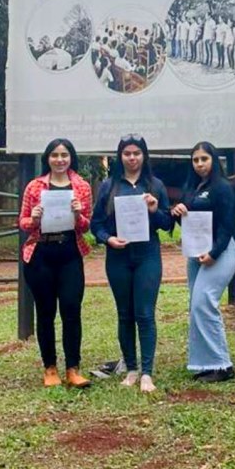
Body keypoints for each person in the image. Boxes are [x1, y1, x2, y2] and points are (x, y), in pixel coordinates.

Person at [91, 135, 172, 393]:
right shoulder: (109, 186)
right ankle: (132, 368)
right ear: (120, 156)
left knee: (145, 314)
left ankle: (147, 372)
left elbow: (167, 224)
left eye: (137, 153)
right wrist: (108, 239)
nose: (132, 157)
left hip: (147, 255)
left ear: (144, 155)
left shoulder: (155, 185)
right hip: (118, 257)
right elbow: (96, 225)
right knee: (125, 314)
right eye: (127, 153)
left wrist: (155, 210)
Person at [19, 138, 94, 388]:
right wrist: (34, 217)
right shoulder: (35, 186)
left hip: (70, 252)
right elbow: (23, 223)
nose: (60, 160)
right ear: (47, 158)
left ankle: (73, 368)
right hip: (41, 253)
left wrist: (77, 213)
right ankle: (50, 367)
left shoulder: (81, 186)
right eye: (54, 155)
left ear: (71, 157)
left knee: (72, 310)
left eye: (64, 155)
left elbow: (86, 225)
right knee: (46, 312)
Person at [173, 143, 235, 383]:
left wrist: (214, 253)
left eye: (204, 159)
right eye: (196, 160)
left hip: (220, 253)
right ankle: (205, 363)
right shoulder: (191, 188)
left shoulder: (223, 187)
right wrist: (179, 213)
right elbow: (193, 225)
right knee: (196, 306)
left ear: (213, 160)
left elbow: (228, 223)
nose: (200, 164)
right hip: (196, 254)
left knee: (204, 302)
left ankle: (222, 364)